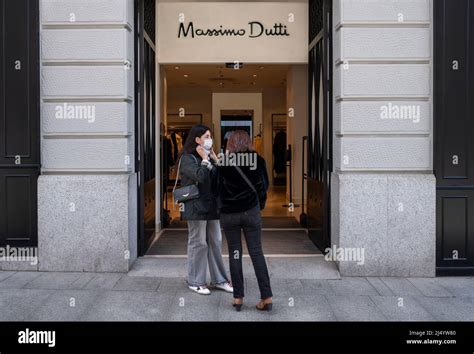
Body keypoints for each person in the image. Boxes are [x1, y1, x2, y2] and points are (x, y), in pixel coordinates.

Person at [217, 130, 273, 311]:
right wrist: (259, 205)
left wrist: (222, 206)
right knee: (257, 253)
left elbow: (214, 189)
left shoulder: (223, 163)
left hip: (230, 215)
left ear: (230, 144)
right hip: (251, 212)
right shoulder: (258, 160)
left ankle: (238, 298)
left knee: (235, 253)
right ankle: (267, 296)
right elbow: (264, 186)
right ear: (248, 142)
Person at [178, 124, 233, 295]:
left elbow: (224, 178)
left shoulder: (210, 157)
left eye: (210, 136)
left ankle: (219, 279)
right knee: (198, 242)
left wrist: (216, 160)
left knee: (215, 241)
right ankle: (195, 280)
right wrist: (204, 159)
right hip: (195, 207)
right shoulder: (187, 159)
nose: (210, 140)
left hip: (211, 205)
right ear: (197, 140)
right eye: (207, 136)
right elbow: (201, 177)